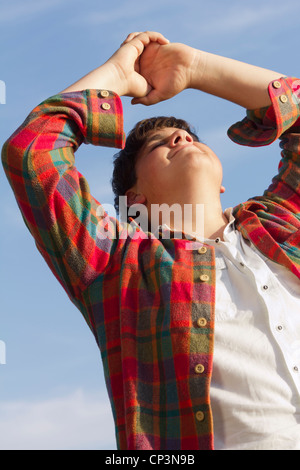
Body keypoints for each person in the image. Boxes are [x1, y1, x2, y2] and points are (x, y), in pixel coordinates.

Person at [2, 31, 300, 450]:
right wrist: (118, 74)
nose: (181, 138)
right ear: (134, 200)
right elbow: (32, 151)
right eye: (160, 146)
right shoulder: (117, 264)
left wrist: (196, 68)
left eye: (190, 137)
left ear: (222, 184)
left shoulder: (282, 225)